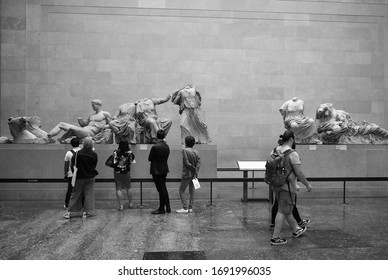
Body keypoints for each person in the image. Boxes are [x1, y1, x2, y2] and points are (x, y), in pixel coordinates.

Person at [270, 130, 313, 245]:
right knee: (283, 210)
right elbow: (299, 173)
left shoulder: (275, 150)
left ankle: (296, 229)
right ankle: (275, 237)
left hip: (276, 184)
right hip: (287, 186)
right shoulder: (292, 153)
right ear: (291, 140)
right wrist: (307, 184)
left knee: (285, 207)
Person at [63, 137, 98, 219]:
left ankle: (70, 212)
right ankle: (87, 212)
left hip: (79, 177)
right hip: (90, 177)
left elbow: (72, 165)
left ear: (84, 144)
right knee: (88, 194)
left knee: (75, 194)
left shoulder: (77, 153)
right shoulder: (94, 154)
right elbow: (94, 165)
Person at [176, 136, 201, 214]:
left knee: (181, 190)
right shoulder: (196, 151)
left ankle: (185, 207)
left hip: (187, 174)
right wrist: (195, 171)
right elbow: (199, 164)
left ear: (186, 142)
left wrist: (193, 169)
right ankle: (191, 207)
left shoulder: (185, 151)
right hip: (194, 175)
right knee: (192, 191)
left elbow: (187, 163)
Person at [148, 130, 170, 214]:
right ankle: (167, 206)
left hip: (156, 169)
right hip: (164, 168)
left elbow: (150, 158)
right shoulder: (166, 146)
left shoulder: (155, 147)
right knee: (163, 188)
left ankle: (162, 208)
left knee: (161, 189)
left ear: (157, 136)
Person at [112, 140, 135, 211]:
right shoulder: (130, 153)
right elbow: (132, 161)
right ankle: (131, 203)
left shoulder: (115, 152)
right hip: (126, 171)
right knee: (128, 187)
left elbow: (114, 161)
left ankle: (120, 205)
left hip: (117, 172)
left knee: (118, 189)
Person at [63, 138, 82, 209]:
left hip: (71, 174)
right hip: (80, 174)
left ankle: (67, 204)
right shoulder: (82, 151)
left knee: (70, 189)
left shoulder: (68, 153)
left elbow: (66, 165)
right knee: (81, 189)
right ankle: (82, 203)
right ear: (79, 143)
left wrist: (65, 174)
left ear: (71, 144)